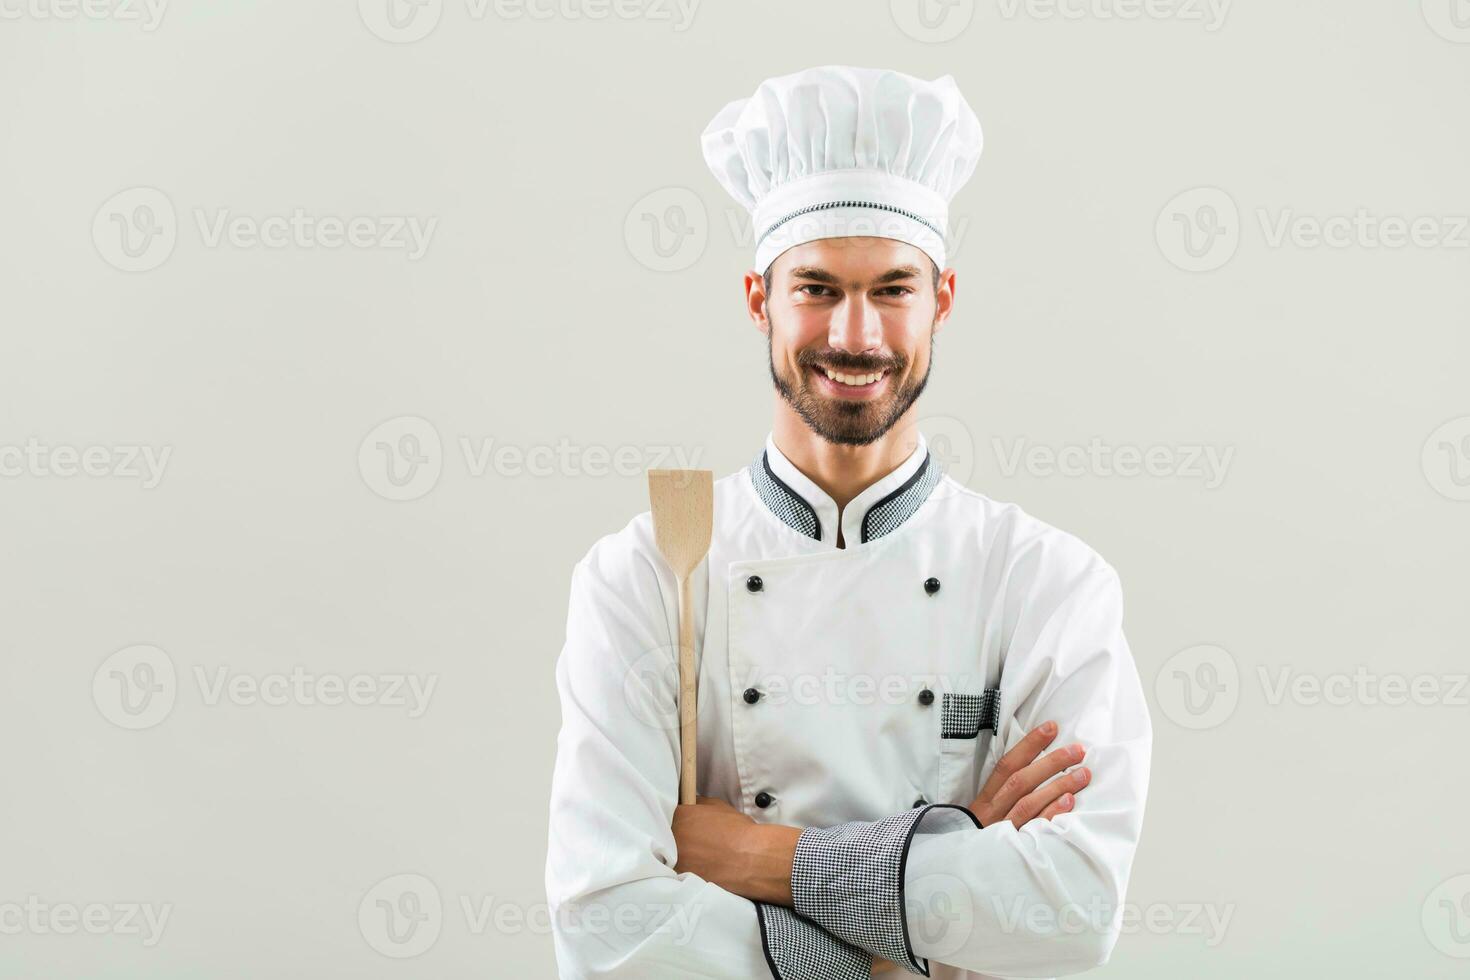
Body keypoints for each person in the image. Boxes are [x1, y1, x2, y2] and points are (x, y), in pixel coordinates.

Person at [545, 65, 1152, 979]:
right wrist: (926, 898)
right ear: (760, 298)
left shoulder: (1044, 583)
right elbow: (605, 923)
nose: (857, 336)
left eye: (893, 290)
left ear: (942, 297)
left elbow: (1072, 909)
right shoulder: (645, 573)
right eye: (818, 289)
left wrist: (755, 858)